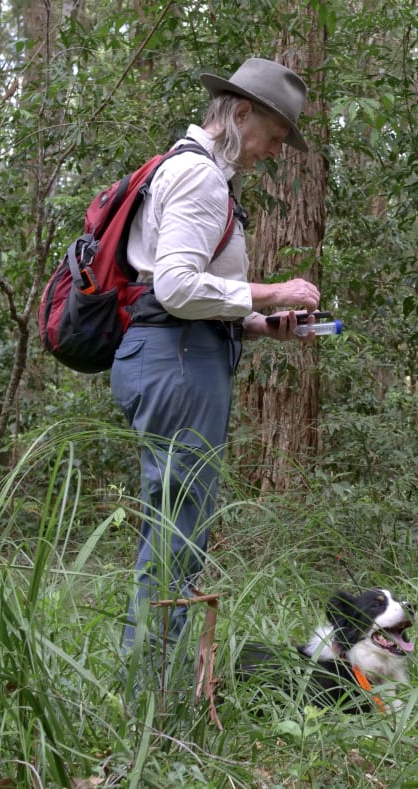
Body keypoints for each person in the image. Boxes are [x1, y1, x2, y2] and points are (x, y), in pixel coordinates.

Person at [112, 57, 320, 655]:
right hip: (178, 360)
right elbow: (174, 287)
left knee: (179, 526)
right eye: (275, 138)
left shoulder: (195, 174)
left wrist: (256, 324)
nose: (276, 153)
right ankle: (153, 695)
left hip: (178, 354)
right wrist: (270, 291)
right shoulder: (199, 177)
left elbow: (185, 292)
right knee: (179, 530)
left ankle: (158, 681)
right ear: (240, 113)